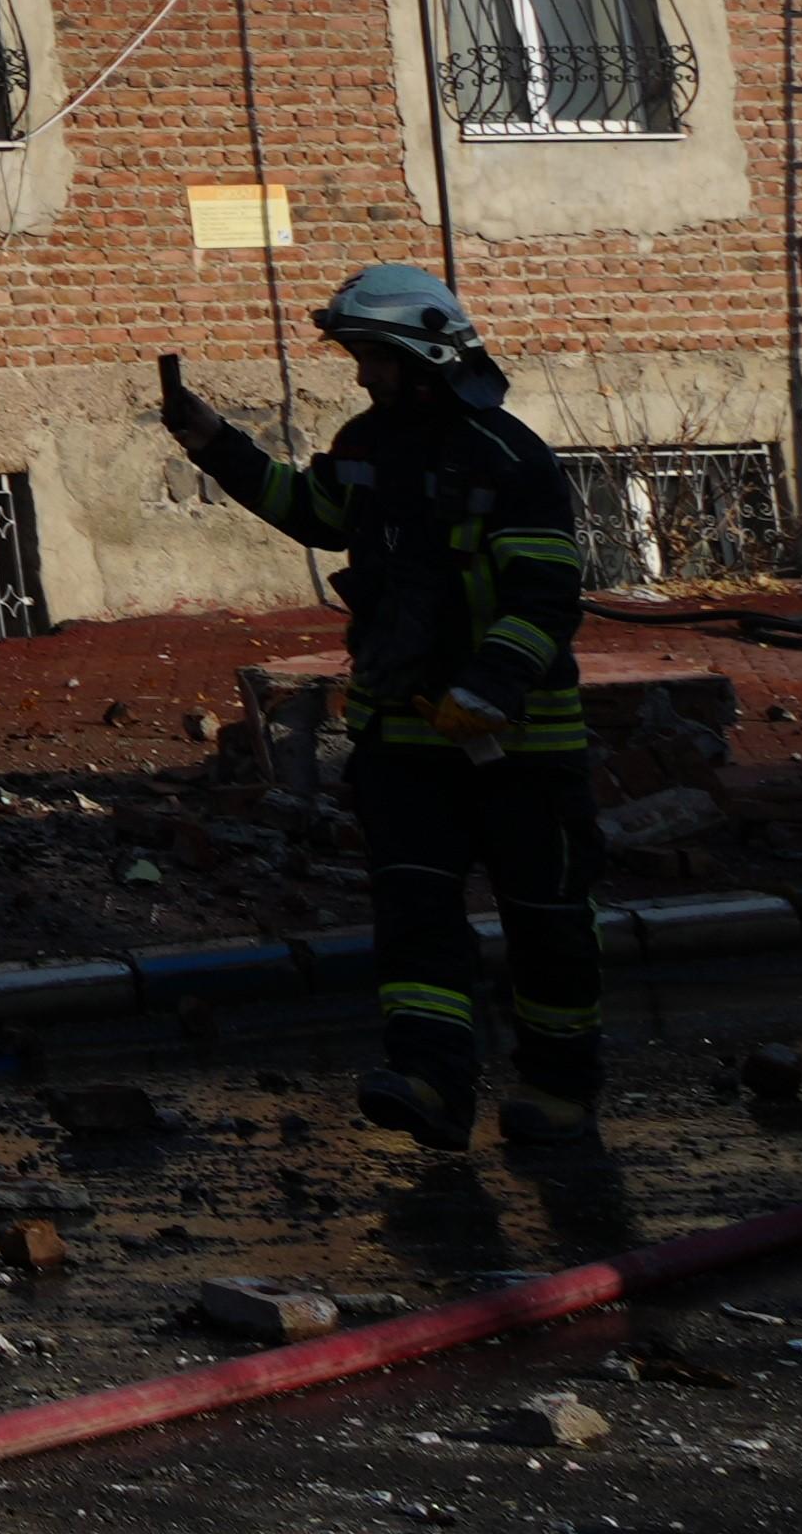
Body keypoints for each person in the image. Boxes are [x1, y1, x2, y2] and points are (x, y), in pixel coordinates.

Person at [159, 271, 600, 1156]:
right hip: (402, 738)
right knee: (415, 914)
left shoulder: (510, 458)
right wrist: (214, 443)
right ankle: (431, 1084)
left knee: (546, 918)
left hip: (523, 749)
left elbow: (545, 598)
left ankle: (558, 1090)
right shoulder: (365, 444)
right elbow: (312, 511)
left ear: (424, 356)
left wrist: (490, 687)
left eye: (374, 359)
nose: (362, 375)